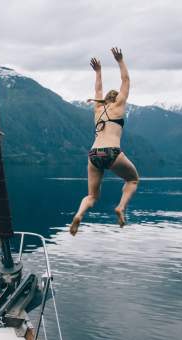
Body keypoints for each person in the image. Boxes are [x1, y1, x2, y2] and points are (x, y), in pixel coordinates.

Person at [70, 47, 139, 236]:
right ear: (116, 98)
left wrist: (98, 71)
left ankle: (78, 215)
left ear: (104, 100)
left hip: (94, 155)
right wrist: (120, 60)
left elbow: (97, 89)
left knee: (92, 196)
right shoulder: (119, 106)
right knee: (132, 179)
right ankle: (120, 208)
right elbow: (126, 81)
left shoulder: (98, 110)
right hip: (112, 152)